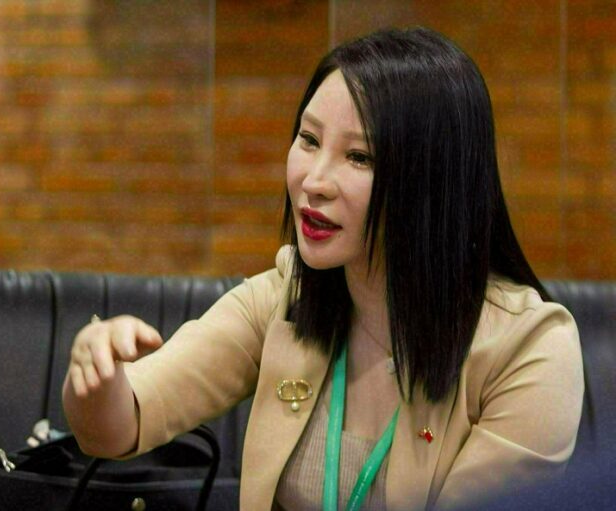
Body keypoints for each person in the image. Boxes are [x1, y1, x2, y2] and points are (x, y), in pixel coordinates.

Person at [62, 27, 584, 511]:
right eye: (309, 140)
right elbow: (119, 426)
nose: (313, 180)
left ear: (432, 181)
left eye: (359, 157)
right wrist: (98, 382)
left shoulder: (529, 350)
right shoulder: (284, 297)